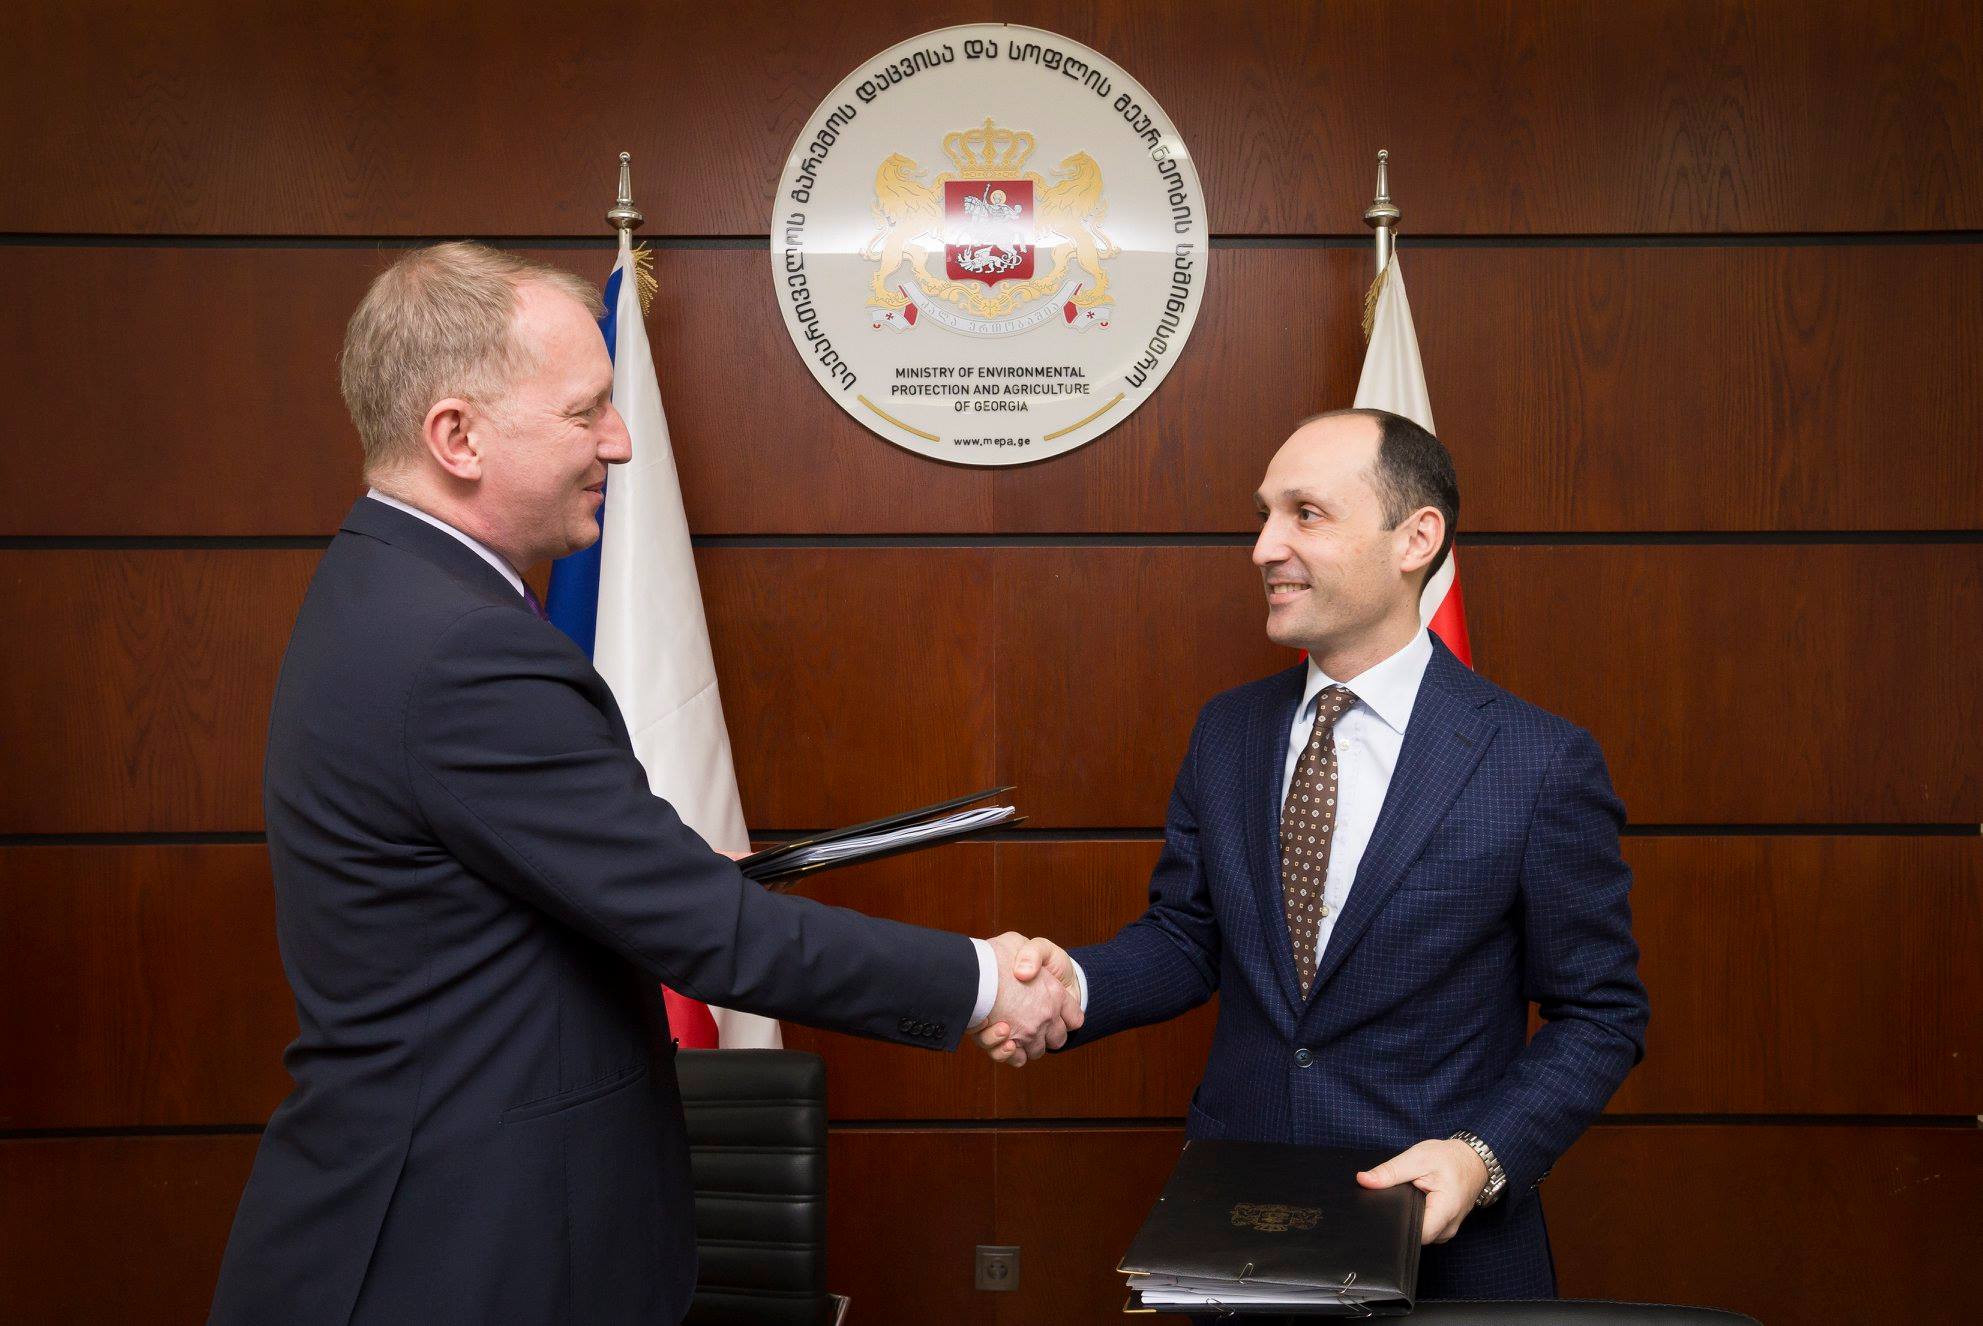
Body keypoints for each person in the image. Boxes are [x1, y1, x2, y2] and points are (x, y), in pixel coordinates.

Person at [209, 242, 1080, 1326]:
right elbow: (713, 937)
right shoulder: (462, 647)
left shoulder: (385, 584)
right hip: (460, 1255)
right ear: (457, 437)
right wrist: (986, 982)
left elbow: (492, 868)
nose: (619, 442)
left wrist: (654, 866)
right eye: (585, 412)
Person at [980, 409, 1649, 1299]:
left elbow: (1599, 1013)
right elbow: (1186, 938)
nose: (1264, 547)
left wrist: (1480, 1157)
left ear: (1415, 538)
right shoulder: (1227, 732)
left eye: (1305, 513)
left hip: (1442, 1250)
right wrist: (1071, 986)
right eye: (1262, 515)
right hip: (1239, 1231)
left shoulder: (1536, 761)